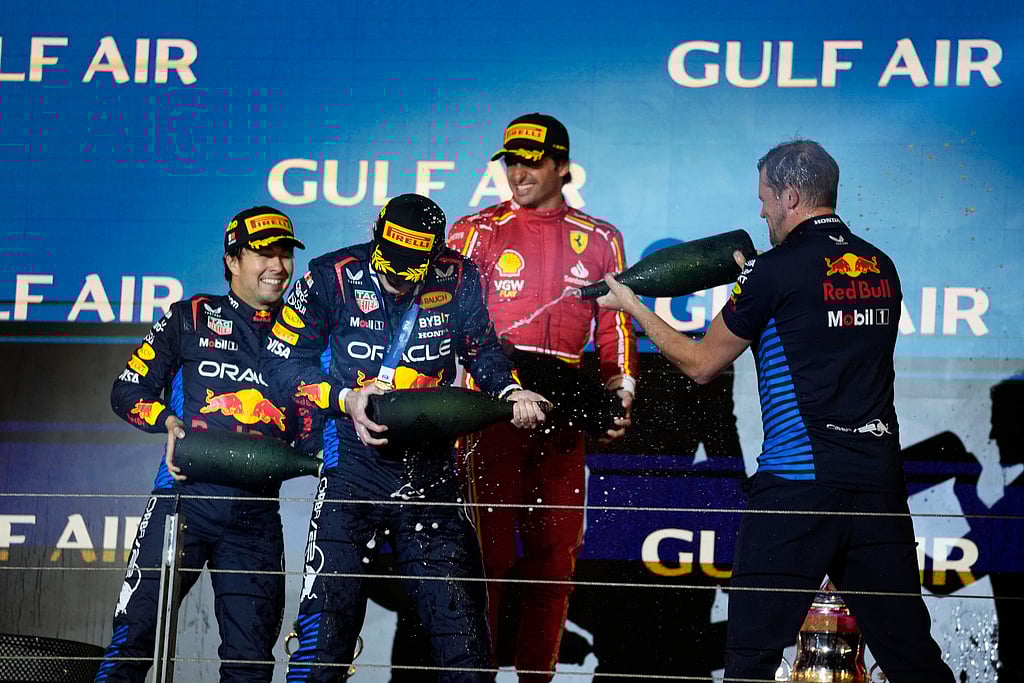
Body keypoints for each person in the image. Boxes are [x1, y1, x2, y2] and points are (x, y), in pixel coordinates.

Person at [596, 139, 955, 683]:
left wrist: (632, 306)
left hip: (797, 490)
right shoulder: (882, 266)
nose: (761, 211)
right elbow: (820, 327)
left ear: (789, 195)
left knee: (749, 663)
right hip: (878, 489)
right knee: (912, 659)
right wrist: (759, 283)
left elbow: (699, 364)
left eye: (764, 198)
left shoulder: (771, 271)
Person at [260, 193, 547, 683]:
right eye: (390, 262)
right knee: (325, 635)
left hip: (429, 475)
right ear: (377, 237)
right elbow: (280, 362)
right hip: (350, 470)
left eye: (412, 267)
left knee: (465, 643)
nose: (397, 276)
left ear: (434, 255)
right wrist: (342, 398)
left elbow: (482, 351)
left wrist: (511, 390)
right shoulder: (329, 276)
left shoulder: (458, 277)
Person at [446, 112, 636, 682]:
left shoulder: (602, 237)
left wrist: (618, 387)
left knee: (555, 554)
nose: (518, 172)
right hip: (491, 402)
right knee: (489, 554)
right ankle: (471, 673)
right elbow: (439, 319)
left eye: (531, 161)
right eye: (510, 161)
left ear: (561, 166)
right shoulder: (474, 231)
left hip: (567, 402)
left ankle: (537, 677)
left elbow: (615, 325)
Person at [96, 206, 315, 682]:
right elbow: (125, 391)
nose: (278, 266)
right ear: (233, 260)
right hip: (182, 503)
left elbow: (315, 423)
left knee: (251, 663)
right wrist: (166, 420)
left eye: (285, 254)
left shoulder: (307, 336)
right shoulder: (191, 317)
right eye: (264, 254)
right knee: (135, 639)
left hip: (256, 518)